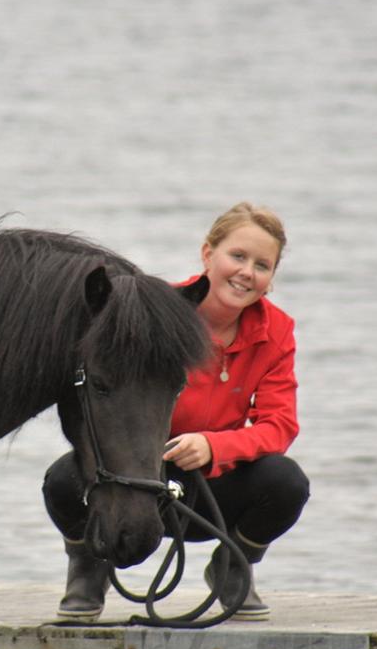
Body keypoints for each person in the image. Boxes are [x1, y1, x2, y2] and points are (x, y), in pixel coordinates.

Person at [41, 202, 310, 621]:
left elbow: (279, 424)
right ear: (208, 254)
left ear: (271, 279)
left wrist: (212, 446)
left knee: (287, 483)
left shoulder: (277, 330)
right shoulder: (152, 313)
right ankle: (87, 570)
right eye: (237, 256)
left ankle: (232, 567)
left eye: (262, 265)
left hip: (215, 486)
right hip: (141, 473)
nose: (246, 272)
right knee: (63, 480)